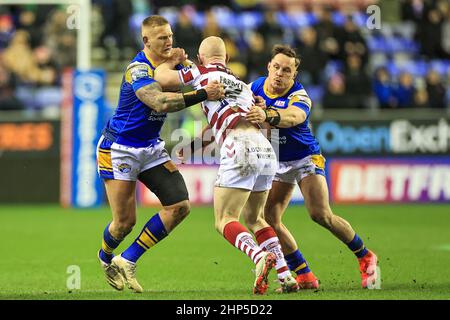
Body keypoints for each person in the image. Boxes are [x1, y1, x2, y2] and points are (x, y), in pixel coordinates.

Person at [154, 36, 299, 294]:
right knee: (256, 218)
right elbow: (222, 123)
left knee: (224, 220)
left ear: (200, 59)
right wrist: (191, 148)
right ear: (227, 60)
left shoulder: (200, 72)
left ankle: (259, 257)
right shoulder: (243, 86)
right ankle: (286, 276)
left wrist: (172, 61)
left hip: (239, 146)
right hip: (265, 148)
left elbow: (162, 78)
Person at [96, 15, 224, 293]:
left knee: (180, 206)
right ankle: (105, 257)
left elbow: (203, 77)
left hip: (150, 147)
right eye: (162, 38)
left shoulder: (169, 65)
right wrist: (203, 93)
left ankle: (127, 260)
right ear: (146, 41)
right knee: (124, 223)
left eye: (170, 35)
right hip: (120, 148)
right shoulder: (137, 69)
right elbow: (159, 101)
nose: (169, 41)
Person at [245, 44, 379, 289]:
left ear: (294, 75)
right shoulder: (254, 88)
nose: (279, 74)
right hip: (277, 161)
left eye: (286, 70)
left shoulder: (300, 95)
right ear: (268, 66)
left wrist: (268, 115)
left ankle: (365, 255)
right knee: (269, 218)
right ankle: (304, 275)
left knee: (320, 214)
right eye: (276, 67)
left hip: (306, 157)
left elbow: (294, 117)